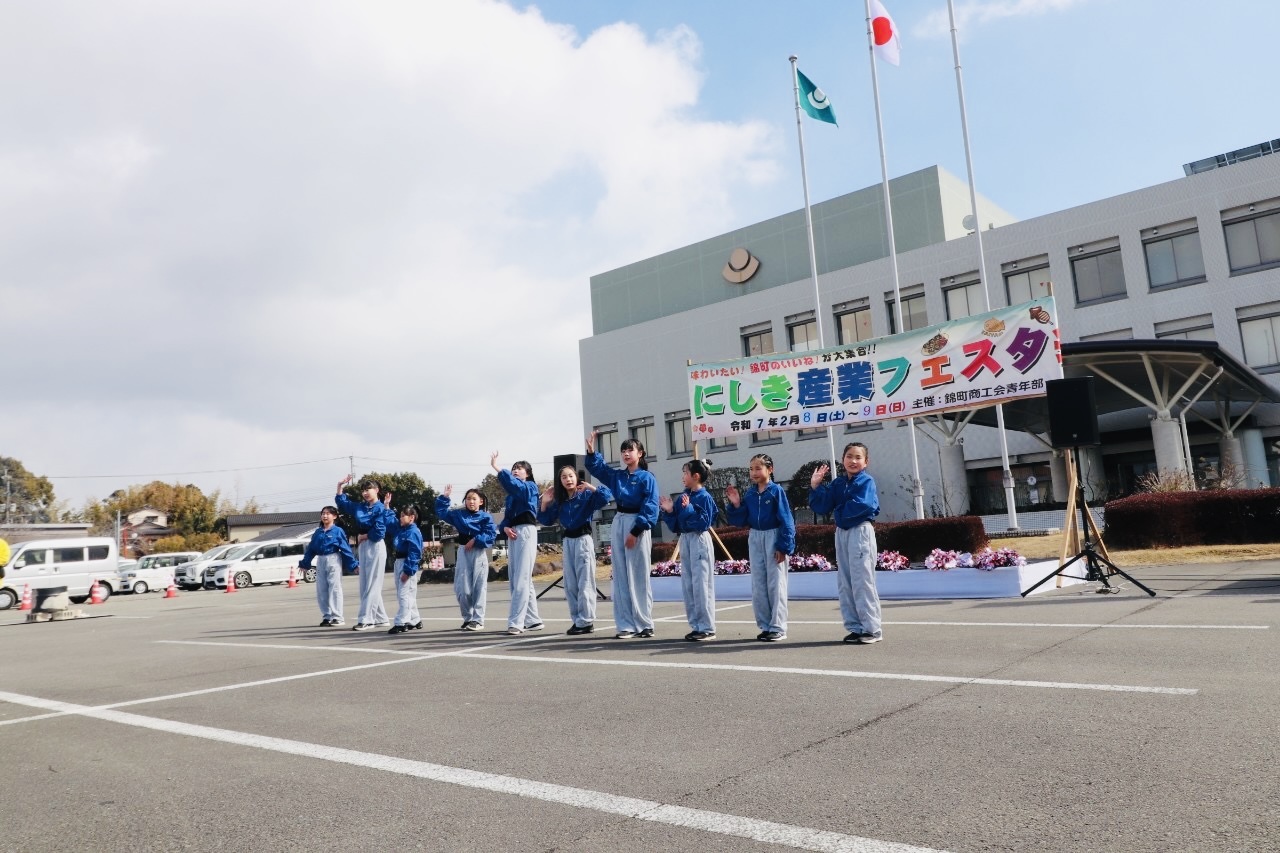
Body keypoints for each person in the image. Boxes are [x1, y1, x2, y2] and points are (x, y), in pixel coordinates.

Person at [585, 432, 659, 639]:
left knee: (638, 574)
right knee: (620, 575)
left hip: (637, 522)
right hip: (619, 519)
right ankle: (626, 624)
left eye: (630, 450)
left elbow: (651, 506)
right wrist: (592, 452)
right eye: (623, 450)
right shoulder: (618, 476)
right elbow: (598, 469)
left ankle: (645, 623)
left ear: (640, 453)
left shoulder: (647, 478)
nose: (626, 454)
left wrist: (636, 531)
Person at [809, 442, 882, 644]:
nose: (853, 461)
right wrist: (816, 486)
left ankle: (872, 628)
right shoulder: (838, 484)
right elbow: (823, 506)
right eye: (849, 456)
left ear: (866, 462)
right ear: (843, 459)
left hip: (860, 531)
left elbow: (864, 505)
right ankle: (856, 627)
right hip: (842, 532)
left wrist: (839, 512)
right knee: (846, 582)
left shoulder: (866, 481)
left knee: (862, 581)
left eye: (858, 457)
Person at [725, 452, 796, 642]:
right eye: (751, 469)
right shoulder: (750, 493)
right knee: (758, 584)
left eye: (758, 468)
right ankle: (765, 625)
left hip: (773, 536)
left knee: (776, 583)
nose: (754, 472)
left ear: (770, 469)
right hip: (755, 537)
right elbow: (740, 520)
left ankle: (778, 626)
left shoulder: (776, 491)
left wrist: (784, 546)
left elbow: (787, 520)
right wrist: (736, 504)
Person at [537, 466, 613, 635]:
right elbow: (545, 519)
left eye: (571, 476)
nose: (568, 479)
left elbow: (606, 497)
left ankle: (586, 621)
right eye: (564, 477)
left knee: (585, 581)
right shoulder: (560, 500)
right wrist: (544, 502)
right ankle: (577, 620)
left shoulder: (585, 495)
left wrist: (591, 488)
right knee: (570, 584)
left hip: (583, 540)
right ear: (560, 481)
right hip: (568, 541)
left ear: (576, 478)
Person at [660, 458, 718, 641]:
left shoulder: (704, 497)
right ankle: (696, 625)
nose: (683, 477)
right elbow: (677, 525)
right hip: (686, 539)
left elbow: (704, 523)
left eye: (685, 473)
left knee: (702, 584)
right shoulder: (685, 496)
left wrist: (689, 509)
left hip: (699, 539)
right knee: (689, 585)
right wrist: (669, 511)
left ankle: (707, 627)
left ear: (696, 476)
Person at [334, 474, 396, 631]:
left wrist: (365, 535)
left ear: (377, 490)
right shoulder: (361, 507)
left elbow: (380, 530)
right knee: (365, 583)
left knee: (372, 583)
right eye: (363, 490)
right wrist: (340, 486)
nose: (365, 492)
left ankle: (367, 619)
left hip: (375, 544)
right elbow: (344, 503)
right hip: (363, 546)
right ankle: (381, 618)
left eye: (368, 489)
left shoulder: (381, 508)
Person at [492, 452, 543, 636]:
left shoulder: (530, 487)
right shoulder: (510, 497)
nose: (515, 471)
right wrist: (505, 528)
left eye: (519, 468)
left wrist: (499, 469)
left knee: (521, 578)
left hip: (526, 531)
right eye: (513, 468)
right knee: (518, 578)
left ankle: (516, 622)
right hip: (514, 533)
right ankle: (533, 619)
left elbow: (517, 488)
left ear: (527, 473)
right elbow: (506, 519)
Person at [436, 486, 497, 631]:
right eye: (468, 498)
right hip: (463, 551)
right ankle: (468, 617)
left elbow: (491, 535)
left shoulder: (486, 517)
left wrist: (476, 540)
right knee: (462, 588)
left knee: (479, 586)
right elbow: (441, 513)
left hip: (478, 552)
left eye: (474, 499)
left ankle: (478, 619)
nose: (471, 501)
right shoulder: (459, 514)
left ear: (481, 501)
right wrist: (444, 498)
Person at [299, 506, 357, 627]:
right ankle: (327, 616)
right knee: (321, 589)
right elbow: (311, 549)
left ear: (334, 516)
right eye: (323, 513)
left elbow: (346, 549)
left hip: (333, 558)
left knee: (335, 588)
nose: (325, 516)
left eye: (328, 514)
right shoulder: (318, 532)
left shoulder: (338, 531)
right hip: (321, 560)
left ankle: (338, 617)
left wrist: (353, 565)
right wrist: (305, 563)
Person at [386, 501, 424, 634]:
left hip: (407, 562)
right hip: (399, 561)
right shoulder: (402, 529)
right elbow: (390, 523)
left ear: (412, 517)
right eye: (400, 516)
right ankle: (415, 619)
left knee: (404, 594)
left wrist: (408, 571)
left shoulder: (413, 532)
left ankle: (401, 622)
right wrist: (387, 507)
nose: (400, 518)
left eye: (403, 516)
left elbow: (414, 553)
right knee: (406, 593)